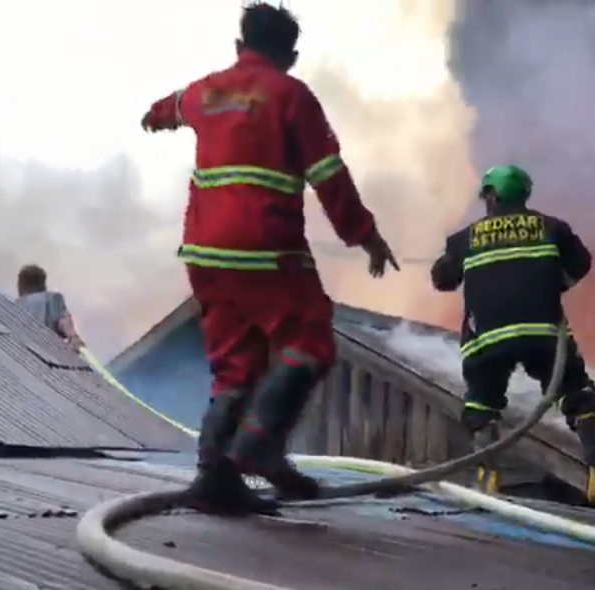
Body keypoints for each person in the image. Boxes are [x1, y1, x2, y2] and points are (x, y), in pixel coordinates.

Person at [140, 2, 398, 515]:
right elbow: (329, 176)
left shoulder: (206, 89)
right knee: (310, 341)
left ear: (240, 48)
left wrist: (154, 119)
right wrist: (365, 236)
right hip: (264, 249)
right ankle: (260, 445)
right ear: (291, 56)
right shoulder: (291, 95)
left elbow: (164, 108)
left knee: (235, 364)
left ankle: (215, 475)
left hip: (205, 253)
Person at [430, 165, 595, 516]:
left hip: (486, 339)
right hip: (542, 333)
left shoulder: (464, 238)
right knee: (579, 395)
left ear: (492, 196)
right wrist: (553, 282)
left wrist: (451, 262)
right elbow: (582, 262)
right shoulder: (553, 228)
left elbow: (442, 280)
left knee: (483, 404)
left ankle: (486, 481)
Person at [15, 264, 85, 350]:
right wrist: (73, 337)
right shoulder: (52, 298)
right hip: (49, 354)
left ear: (21, 284)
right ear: (43, 284)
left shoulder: (13, 305)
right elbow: (63, 319)